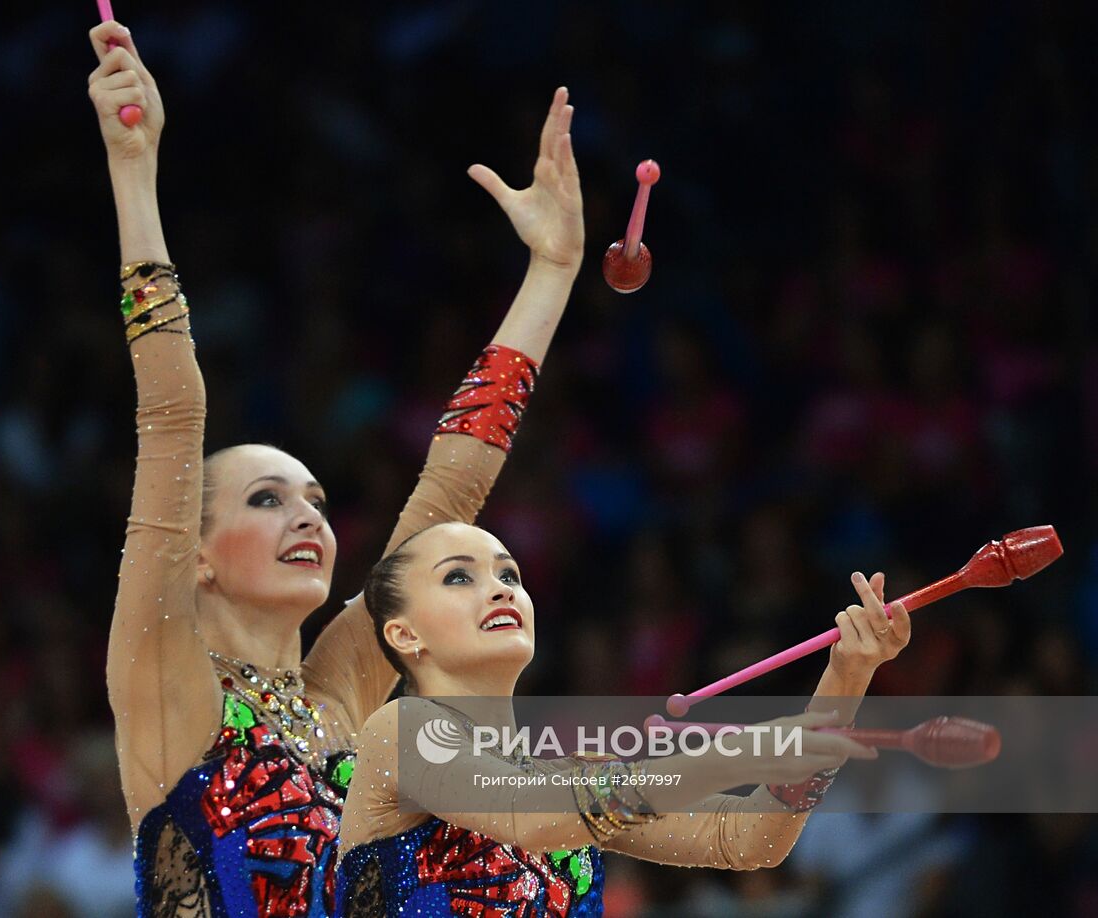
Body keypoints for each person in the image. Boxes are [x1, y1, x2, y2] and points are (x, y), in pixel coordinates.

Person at [87, 19, 587, 917]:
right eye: (267, 499)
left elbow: (450, 490)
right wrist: (135, 173)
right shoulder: (167, 681)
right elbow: (171, 419)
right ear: (193, 553)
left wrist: (550, 273)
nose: (307, 518)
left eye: (314, 501)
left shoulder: (339, 694)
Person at [337, 521, 911, 916]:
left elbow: (748, 839)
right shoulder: (399, 733)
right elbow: (524, 815)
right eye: (459, 576)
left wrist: (847, 676)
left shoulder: (572, 776)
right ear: (404, 634)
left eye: (509, 575)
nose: (499, 590)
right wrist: (739, 753)